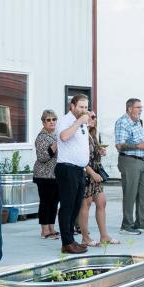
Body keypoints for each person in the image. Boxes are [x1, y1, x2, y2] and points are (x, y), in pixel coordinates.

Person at [56, 94, 92, 254]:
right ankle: (66, 242)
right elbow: (63, 137)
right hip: (67, 168)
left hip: (78, 169)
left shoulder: (82, 123)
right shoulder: (66, 120)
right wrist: (79, 122)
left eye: (86, 107)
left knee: (76, 206)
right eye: (81, 107)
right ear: (72, 106)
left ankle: (71, 239)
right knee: (67, 206)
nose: (84, 110)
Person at [115, 98, 144, 234]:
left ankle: (141, 223)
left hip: (142, 160)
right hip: (129, 160)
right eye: (138, 107)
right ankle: (126, 225)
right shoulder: (122, 122)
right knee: (130, 193)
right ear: (129, 108)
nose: (140, 110)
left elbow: (139, 140)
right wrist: (138, 146)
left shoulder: (137, 122)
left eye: (141, 107)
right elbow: (120, 145)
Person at [80, 112, 118, 246]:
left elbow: (93, 153)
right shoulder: (81, 134)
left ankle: (104, 236)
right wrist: (91, 173)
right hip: (86, 173)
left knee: (101, 202)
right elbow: (80, 157)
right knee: (86, 204)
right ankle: (85, 237)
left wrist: (100, 152)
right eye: (90, 117)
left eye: (94, 117)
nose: (93, 119)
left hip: (96, 173)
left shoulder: (93, 135)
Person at [33, 112, 60, 239]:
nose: (52, 122)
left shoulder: (54, 135)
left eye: (54, 119)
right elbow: (42, 157)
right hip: (43, 175)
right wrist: (56, 144)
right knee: (45, 202)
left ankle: (51, 228)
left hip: (54, 175)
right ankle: (44, 231)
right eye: (48, 120)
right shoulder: (42, 137)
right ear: (43, 122)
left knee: (54, 202)